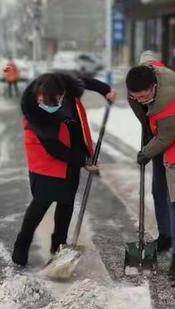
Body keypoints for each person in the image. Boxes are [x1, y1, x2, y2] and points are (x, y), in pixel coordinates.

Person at [12, 72, 116, 266]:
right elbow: (55, 149)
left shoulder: (64, 84)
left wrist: (106, 90)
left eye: (57, 101)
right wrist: (84, 160)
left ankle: (58, 244)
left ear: (62, 93)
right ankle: (21, 245)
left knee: (66, 202)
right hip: (45, 158)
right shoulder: (36, 113)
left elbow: (84, 80)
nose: (52, 105)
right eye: (45, 102)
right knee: (41, 203)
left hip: (72, 145)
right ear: (38, 97)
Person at [126, 64, 175, 280]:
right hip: (160, 134)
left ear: (154, 87)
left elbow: (166, 139)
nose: (139, 100)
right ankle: (165, 237)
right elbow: (148, 58)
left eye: (143, 96)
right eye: (135, 97)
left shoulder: (171, 104)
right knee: (158, 190)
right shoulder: (147, 79)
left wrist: (146, 152)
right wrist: (147, 128)